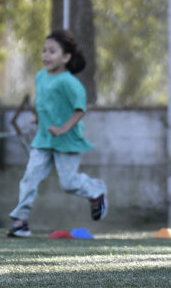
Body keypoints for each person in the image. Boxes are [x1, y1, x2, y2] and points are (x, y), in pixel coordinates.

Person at [6, 29, 107, 237]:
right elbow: (43, 102)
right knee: (29, 178)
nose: (46, 55)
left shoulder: (70, 83)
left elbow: (80, 110)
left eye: (52, 51)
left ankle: (96, 191)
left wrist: (62, 129)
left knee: (68, 184)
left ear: (66, 57)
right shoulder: (41, 77)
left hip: (67, 140)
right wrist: (38, 118)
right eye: (44, 51)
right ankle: (21, 221)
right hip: (43, 139)